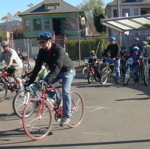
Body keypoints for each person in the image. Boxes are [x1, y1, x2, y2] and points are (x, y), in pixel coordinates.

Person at [25, 32, 75, 127]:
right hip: (55, 72)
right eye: (39, 42)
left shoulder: (58, 50)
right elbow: (37, 68)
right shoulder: (42, 52)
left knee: (65, 91)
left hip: (68, 70)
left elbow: (58, 67)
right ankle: (56, 98)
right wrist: (30, 81)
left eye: (42, 42)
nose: (41, 44)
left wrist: (48, 79)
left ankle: (67, 115)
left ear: (49, 41)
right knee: (42, 84)